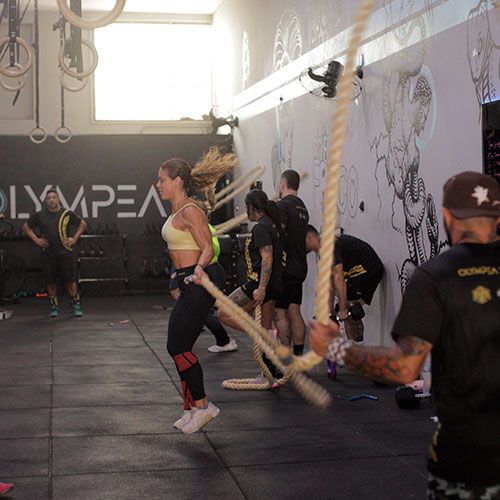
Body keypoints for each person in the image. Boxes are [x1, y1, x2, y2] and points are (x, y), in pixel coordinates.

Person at [309, 171, 500, 499]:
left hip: (469, 460)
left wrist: (335, 348)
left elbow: (403, 368)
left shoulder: (435, 276)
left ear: (446, 215)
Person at [157, 147, 237, 434]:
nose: (158, 185)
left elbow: (207, 247)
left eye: (162, 179)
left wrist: (200, 269)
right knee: (177, 346)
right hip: (188, 277)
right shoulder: (177, 210)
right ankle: (190, 408)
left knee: (178, 346)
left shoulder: (191, 210)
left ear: (177, 181)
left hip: (201, 276)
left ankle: (204, 406)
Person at [218, 189, 284, 383]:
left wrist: (261, 287)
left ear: (251, 207)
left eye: (246, 207)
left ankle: (261, 338)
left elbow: (267, 258)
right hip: (273, 284)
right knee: (266, 328)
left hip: (259, 283)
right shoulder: (272, 224)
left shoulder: (261, 228)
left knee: (224, 312)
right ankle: (270, 373)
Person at [306, 225, 384, 342]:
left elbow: (339, 278)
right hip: (357, 274)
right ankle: (353, 346)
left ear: (309, 237)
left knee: (349, 309)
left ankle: (355, 348)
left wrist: (342, 309)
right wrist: (330, 309)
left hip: (369, 271)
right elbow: (330, 281)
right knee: (344, 307)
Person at [168, 224, 237, 353]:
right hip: (199, 269)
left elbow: (212, 249)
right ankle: (223, 339)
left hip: (207, 270)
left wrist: (196, 264)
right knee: (191, 308)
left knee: (195, 310)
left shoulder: (201, 226)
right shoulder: (194, 226)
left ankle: (224, 339)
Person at [23, 189, 87, 318]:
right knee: (50, 281)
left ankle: (76, 306)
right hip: (48, 253)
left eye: (53, 197)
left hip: (65, 252)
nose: (51, 200)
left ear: (58, 199)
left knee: (70, 281)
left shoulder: (66, 213)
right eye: (49, 198)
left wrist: (74, 239)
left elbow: (83, 224)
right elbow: (26, 227)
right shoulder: (40, 215)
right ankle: (54, 307)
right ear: (46, 201)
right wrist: (36, 240)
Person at [275, 169, 309, 356]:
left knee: (280, 312)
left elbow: (279, 233)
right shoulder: (302, 207)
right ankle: (298, 356)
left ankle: (284, 358)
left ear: (282, 184)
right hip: (300, 267)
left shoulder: (282, 206)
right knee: (294, 310)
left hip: (286, 268)